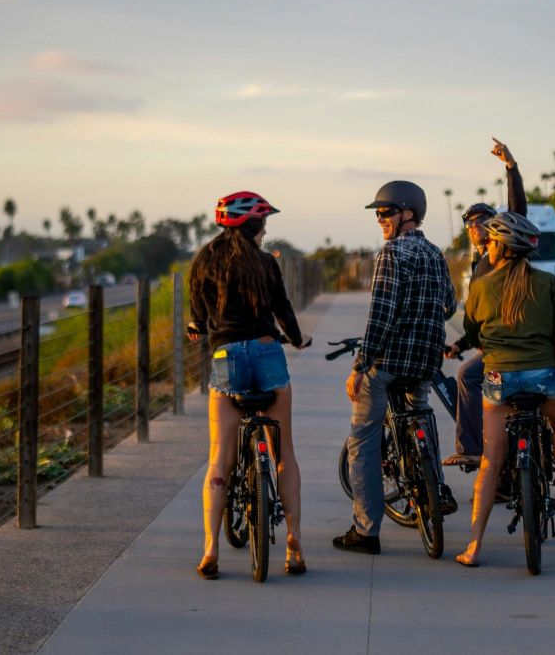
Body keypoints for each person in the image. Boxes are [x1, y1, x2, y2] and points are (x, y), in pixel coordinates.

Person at [188, 191, 311, 579]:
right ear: (255, 226)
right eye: (264, 223)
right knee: (284, 454)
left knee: (219, 460)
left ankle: (210, 551)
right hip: (266, 353)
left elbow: (198, 315)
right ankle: (294, 542)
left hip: (226, 359)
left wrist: (197, 327)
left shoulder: (204, 260)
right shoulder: (265, 263)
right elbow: (283, 309)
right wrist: (295, 337)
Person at [333, 180, 458, 555]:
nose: (380, 219)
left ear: (408, 214)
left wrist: (359, 366)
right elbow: (449, 305)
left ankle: (366, 531)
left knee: (364, 441)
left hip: (388, 363)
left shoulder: (391, 253)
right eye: (378, 214)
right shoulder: (436, 254)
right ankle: (434, 486)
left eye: (386, 212)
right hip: (424, 362)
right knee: (420, 416)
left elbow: (381, 315)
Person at [454, 211, 555, 568]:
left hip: (499, 379)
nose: (488, 246)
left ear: (501, 246)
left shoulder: (480, 286)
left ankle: (474, 547)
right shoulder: (548, 284)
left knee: (491, 459)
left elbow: (474, 331)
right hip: (544, 378)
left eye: (491, 241)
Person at [442, 138, 528, 468]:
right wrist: (462, 342)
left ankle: (471, 449)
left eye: (480, 220)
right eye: (469, 223)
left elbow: (517, 208)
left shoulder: (505, 255)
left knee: (467, 376)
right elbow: (478, 316)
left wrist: (511, 166)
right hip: (492, 344)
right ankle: (502, 469)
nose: (473, 226)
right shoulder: (480, 264)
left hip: (510, 345)